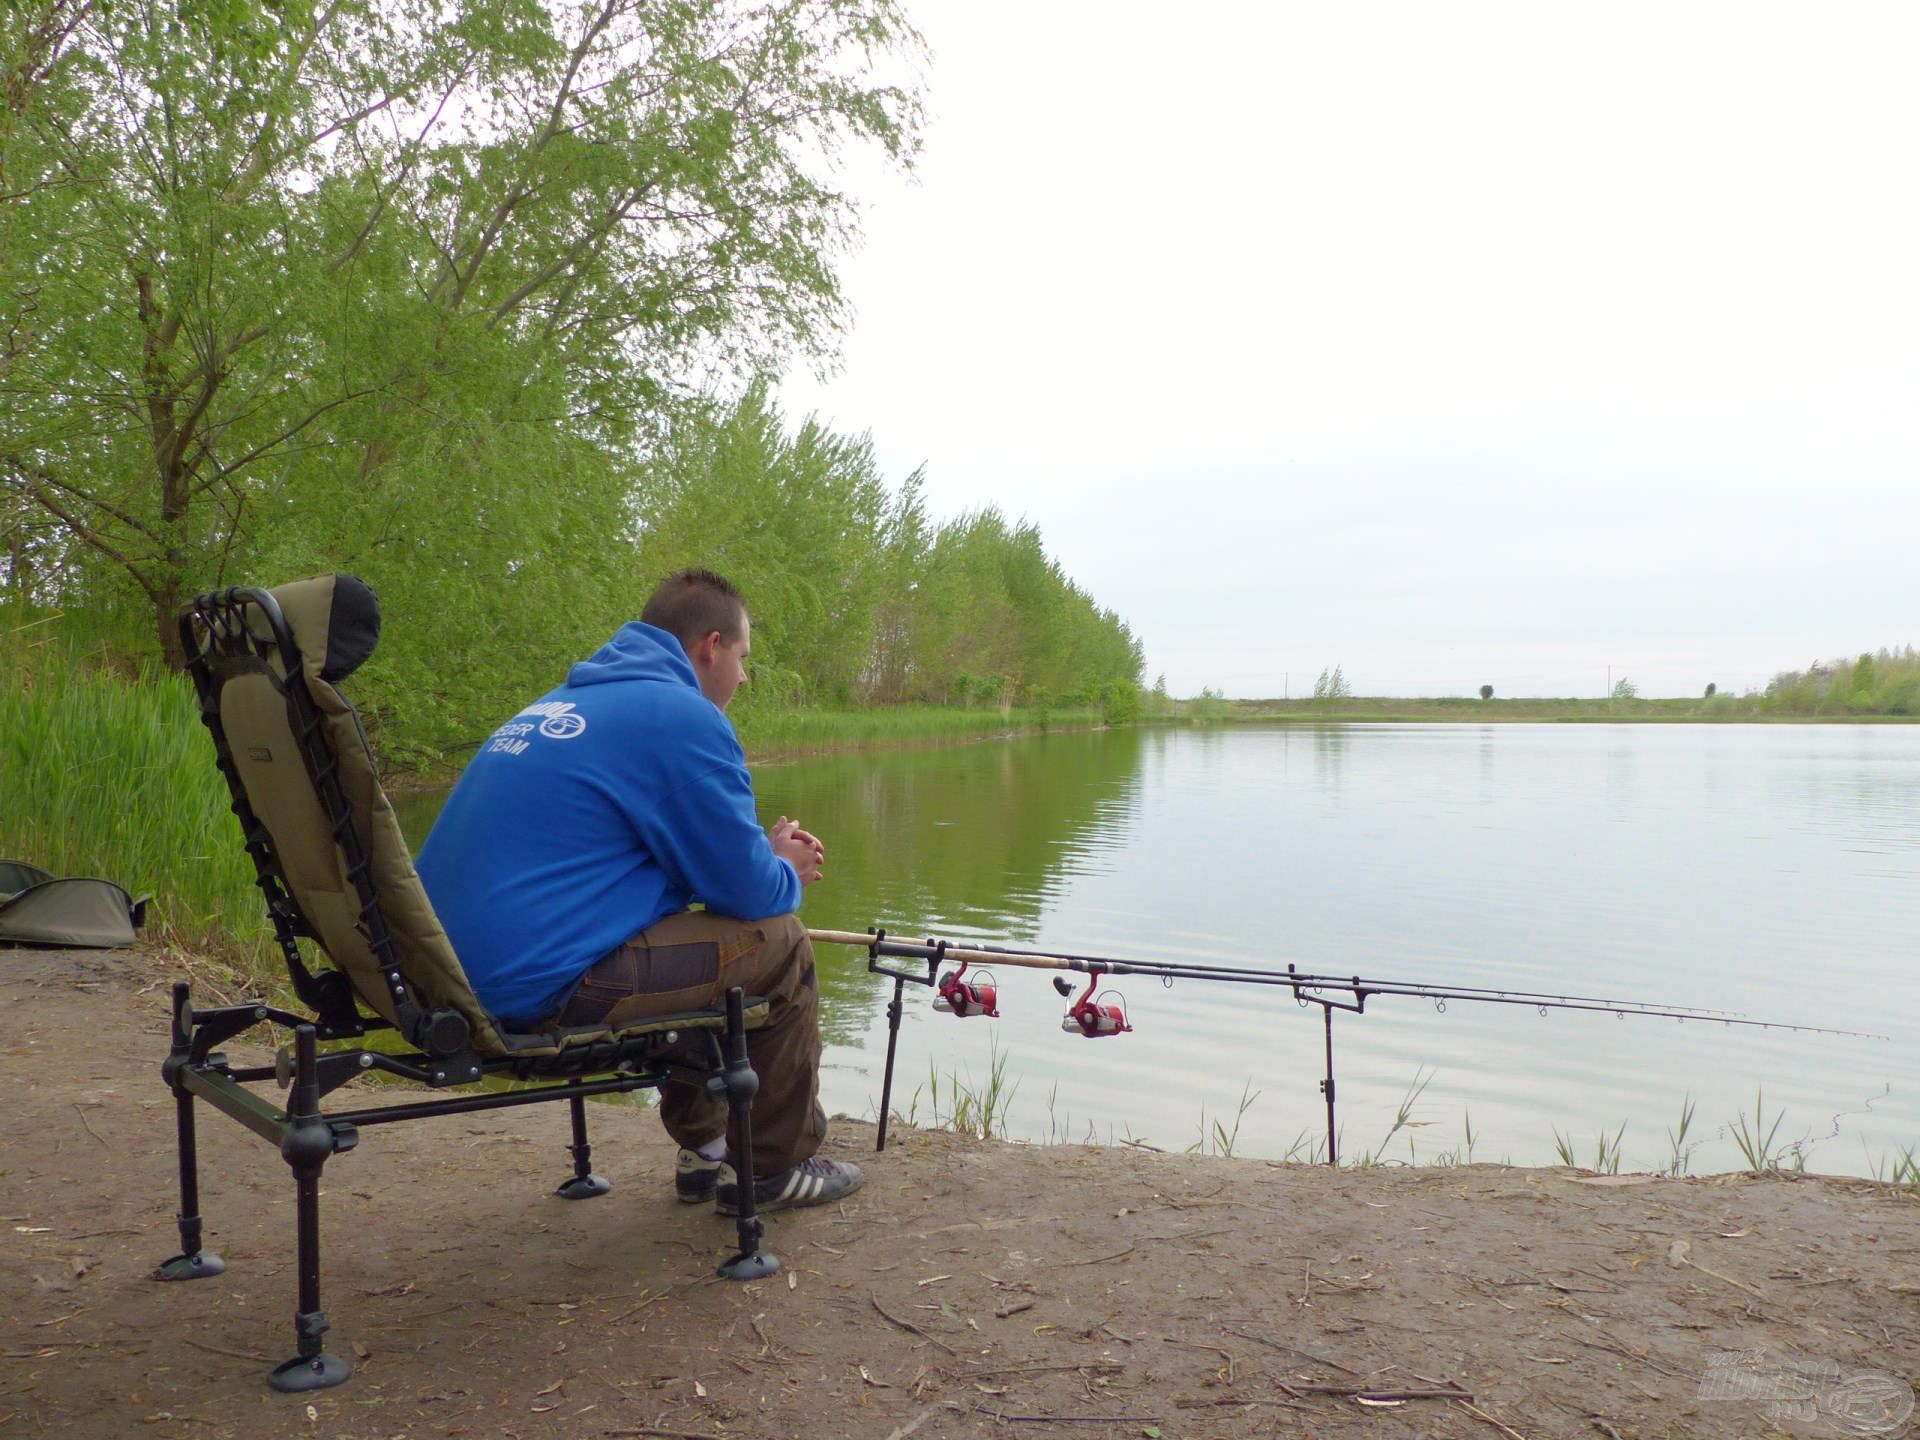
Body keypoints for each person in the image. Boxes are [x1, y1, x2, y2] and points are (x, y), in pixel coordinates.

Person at [416, 568, 861, 1214]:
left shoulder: (566, 702)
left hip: (439, 979)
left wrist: (753, 861)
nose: (741, 678)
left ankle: (706, 1147)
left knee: (702, 930)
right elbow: (754, 896)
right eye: (743, 659)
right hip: (529, 994)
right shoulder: (683, 717)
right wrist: (784, 867)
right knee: (778, 944)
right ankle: (772, 1168)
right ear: (711, 646)